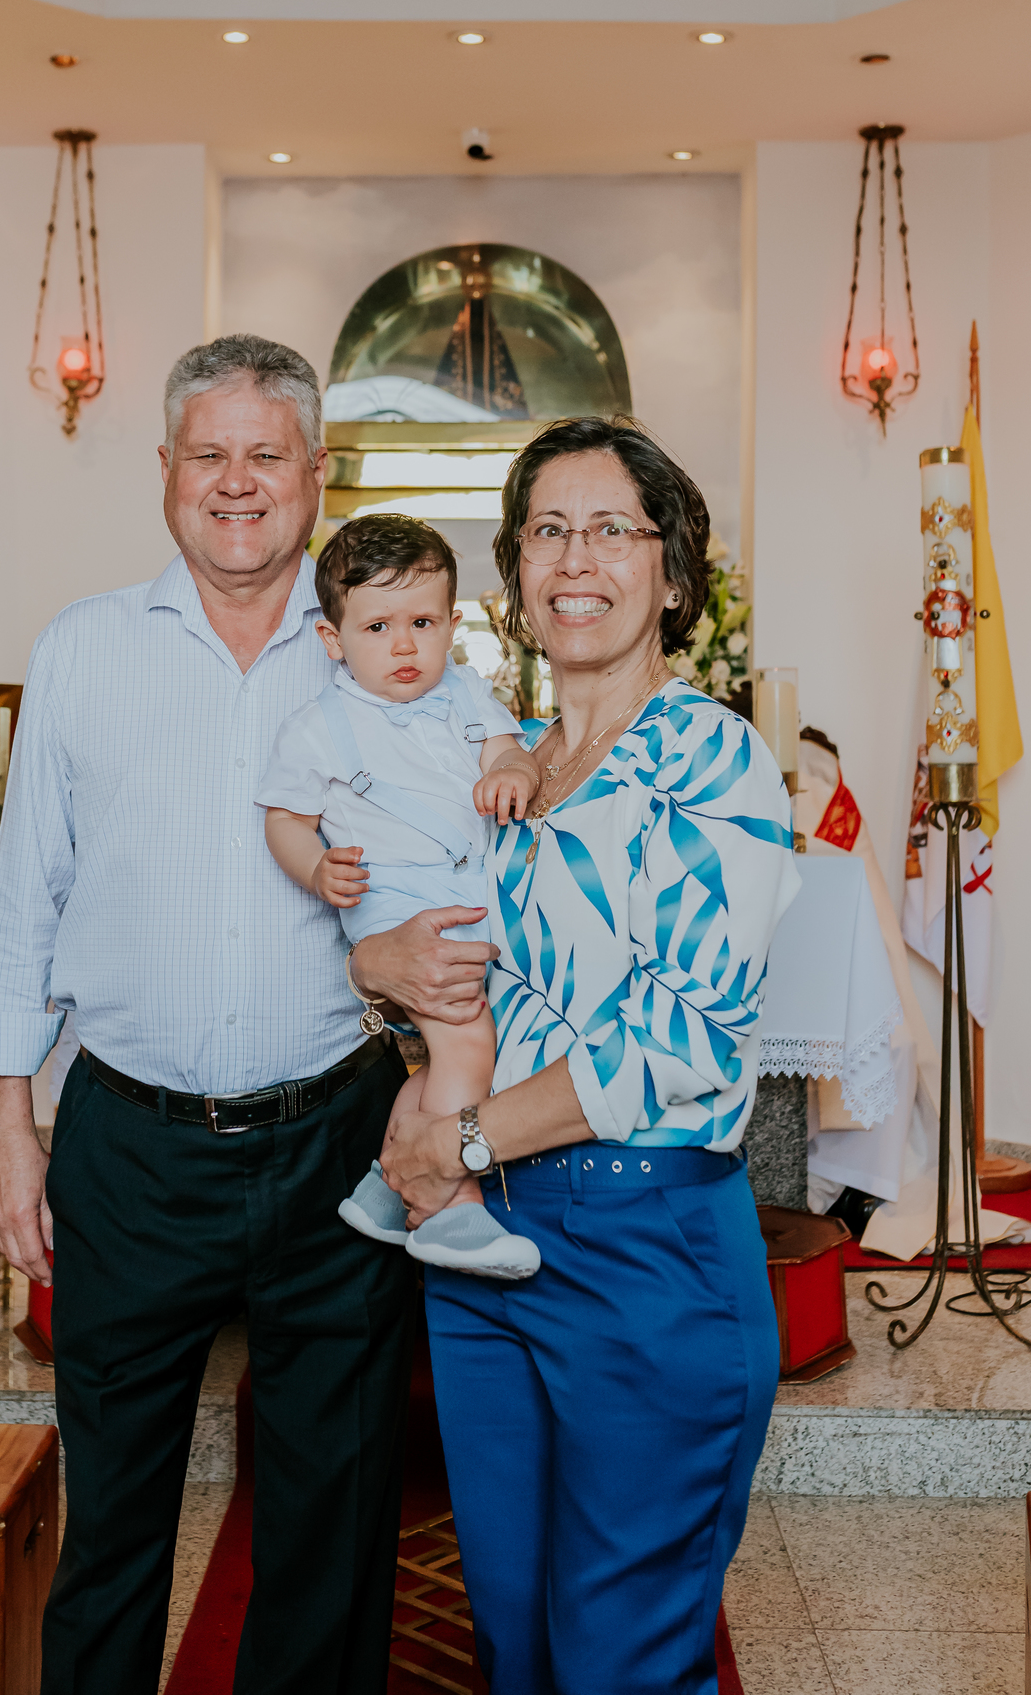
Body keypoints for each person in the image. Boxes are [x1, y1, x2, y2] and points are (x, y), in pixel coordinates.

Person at [0, 334, 499, 1695]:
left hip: (334, 1134)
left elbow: (483, 839)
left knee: (333, 1520)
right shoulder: (86, 649)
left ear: (318, 475)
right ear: (165, 472)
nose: (238, 482)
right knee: (115, 1524)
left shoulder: (389, 658)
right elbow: (23, 899)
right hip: (129, 1145)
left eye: (269, 454)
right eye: (210, 453)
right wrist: (8, 1125)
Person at [378, 416, 802, 1695]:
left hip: (645, 1248)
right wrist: (386, 980)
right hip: (490, 1249)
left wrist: (453, 1140)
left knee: (622, 1659)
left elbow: (679, 1032)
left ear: (673, 573)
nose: (577, 558)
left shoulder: (710, 758)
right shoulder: (510, 770)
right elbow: (476, 992)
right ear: (515, 574)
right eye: (546, 531)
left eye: (612, 528)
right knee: (514, 1638)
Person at [260, 512, 541, 1279]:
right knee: (466, 1040)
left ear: (453, 622)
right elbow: (285, 820)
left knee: (442, 1060)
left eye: (422, 621)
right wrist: (317, 870)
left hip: (471, 894)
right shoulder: (318, 726)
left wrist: (511, 769)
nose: (406, 644)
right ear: (333, 639)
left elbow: (506, 747)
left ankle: (384, 1189)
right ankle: (450, 1209)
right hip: (395, 909)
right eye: (379, 625)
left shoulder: (464, 694)